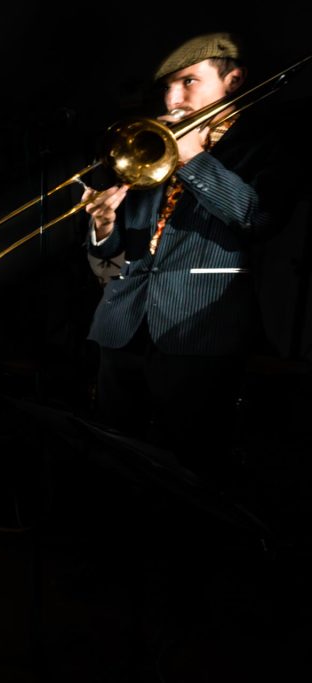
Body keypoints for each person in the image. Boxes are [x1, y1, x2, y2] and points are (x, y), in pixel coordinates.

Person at [80, 32, 298, 481]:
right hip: (123, 323)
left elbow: (258, 220)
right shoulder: (151, 144)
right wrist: (102, 227)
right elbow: (118, 249)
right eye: (167, 86)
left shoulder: (264, 147)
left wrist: (194, 158)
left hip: (200, 329)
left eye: (188, 81)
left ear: (233, 80)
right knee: (112, 453)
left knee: (193, 461)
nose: (173, 96)